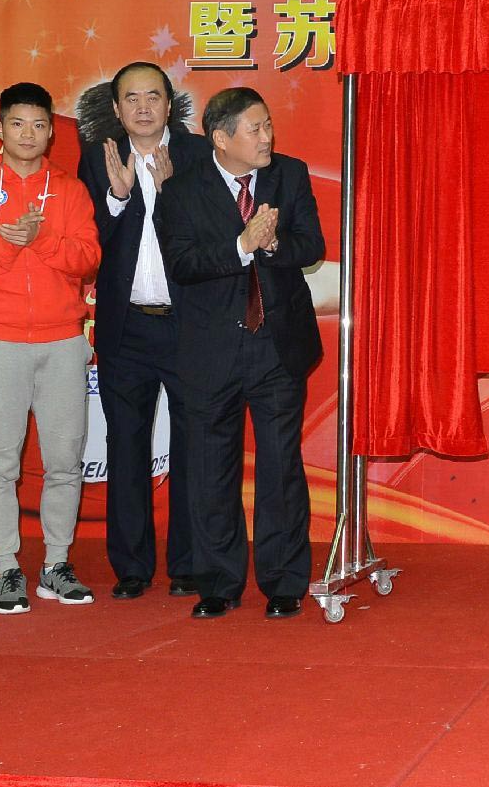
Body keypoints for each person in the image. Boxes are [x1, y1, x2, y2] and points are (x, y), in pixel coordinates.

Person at [155, 87, 324, 620]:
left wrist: (273, 244)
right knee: (211, 469)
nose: (267, 136)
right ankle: (217, 582)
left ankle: (284, 581)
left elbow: (312, 245)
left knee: (280, 465)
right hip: (211, 349)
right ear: (221, 138)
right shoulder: (181, 191)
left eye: (269, 124)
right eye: (256, 128)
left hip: (277, 345)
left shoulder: (289, 175)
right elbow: (182, 265)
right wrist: (241, 246)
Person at [0, 82, 100, 615]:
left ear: (51, 132)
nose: (28, 134)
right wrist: (7, 244)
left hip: (63, 341)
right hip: (0, 340)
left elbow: (88, 258)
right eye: (17, 124)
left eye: (38, 125)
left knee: (64, 463)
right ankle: (6, 567)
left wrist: (40, 239)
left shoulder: (70, 190)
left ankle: (56, 564)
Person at [76, 61, 210, 600]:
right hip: (125, 327)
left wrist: (173, 194)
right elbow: (89, 245)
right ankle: (131, 567)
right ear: (116, 108)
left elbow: (215, 237)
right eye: (130, 98)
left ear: (169, 103)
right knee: (125, 446)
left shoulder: (200, 154)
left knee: (193, 446)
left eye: (153, 96)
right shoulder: (98, 158)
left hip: (188, 326)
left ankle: (189, 564)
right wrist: (116, 197)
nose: (142, 107)